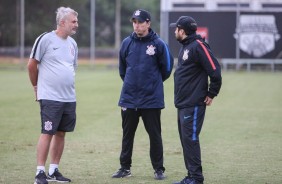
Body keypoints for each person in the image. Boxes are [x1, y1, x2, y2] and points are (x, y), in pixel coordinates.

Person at [112, 9, 174, 180]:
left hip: (151, 99)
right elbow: (122, 70)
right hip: (129, 98)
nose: (137, 25)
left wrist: (152, 84)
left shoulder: (159, 44)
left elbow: (167, 69)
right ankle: (125, 168)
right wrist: (132, 84)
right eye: (134, 22)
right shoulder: (126, 43)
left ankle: (158, 169)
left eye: (140, 22)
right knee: (127, 135)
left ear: (148, 23)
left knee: (155, 135)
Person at [27, 7, 78, 184]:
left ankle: (54, 170)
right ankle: (39, 173)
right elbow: (32, 65)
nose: (76, 25)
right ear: (62, 22)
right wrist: (36, 87)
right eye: (73, 21)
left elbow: (72, 68)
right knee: (47, 131)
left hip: (69, 97)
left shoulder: (73, 44)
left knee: (61, 133)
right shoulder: (45, 39)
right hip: (50, 97)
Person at [170, 16, 222, 184]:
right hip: (183, 103)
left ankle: (196, 178)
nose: (174, 31)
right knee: (186, 140)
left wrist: (212, 93)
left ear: (182, 31)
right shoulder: (186, 46)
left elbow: (215, 70)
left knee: (191, 139)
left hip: (193, 103)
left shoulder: (199, 46)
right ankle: (190, 176)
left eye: (176, 29)